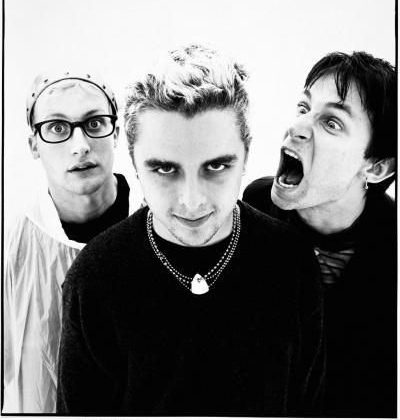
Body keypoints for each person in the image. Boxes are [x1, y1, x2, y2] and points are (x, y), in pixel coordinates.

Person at [57, 45, 325, 416]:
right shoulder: (94, 278)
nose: (192, 201)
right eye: (165, 169)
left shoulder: (291, 262)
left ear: (246, 157)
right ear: (134, 163)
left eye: (216, 167)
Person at [243, 51, 396, 417]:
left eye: (331, 122)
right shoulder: (254, 206)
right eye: (303, 107)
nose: (297, 127)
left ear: (376, 167)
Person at [3, 72, 133, 413]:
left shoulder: (162, 226)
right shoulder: (12, 251)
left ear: (116, 133)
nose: (80, 145)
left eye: (94, 123)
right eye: (57, 128)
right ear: (34, 145)